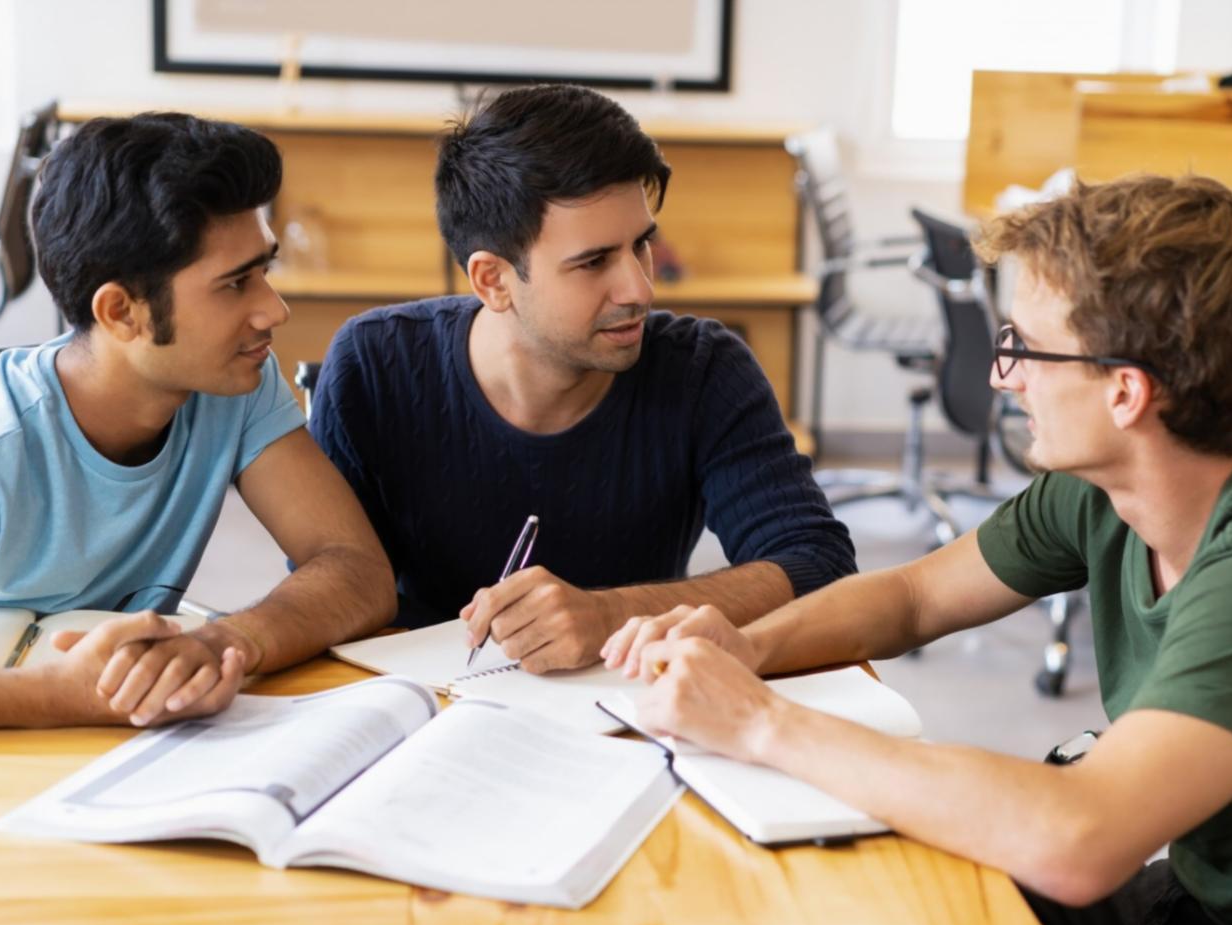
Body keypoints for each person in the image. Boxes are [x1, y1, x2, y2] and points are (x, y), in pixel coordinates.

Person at [604, 175, 1232, 925]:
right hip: (1210, 909)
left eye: (1022, 346)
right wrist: (747, 647)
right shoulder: (1113, 483)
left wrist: (758, 722)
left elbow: (1079, 841)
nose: (1000, 374)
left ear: (1126, 390)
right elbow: (913, 598)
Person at [309, 84, 854, 672]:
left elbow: (818, 566)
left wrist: (611, 613)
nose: (640, 289)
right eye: (594, 262)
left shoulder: (704, 369)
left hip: (626, 716)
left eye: (642, 245)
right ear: (492, 280)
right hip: (421, 708)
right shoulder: (374, 365)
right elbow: (329, 590)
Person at [0, 113, 396, 730]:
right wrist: (59, 694)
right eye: (235, 284)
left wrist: (229, 641)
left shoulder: (233, 386)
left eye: (264, 271)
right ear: (121, 312)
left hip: (129, 750)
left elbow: (355, 568)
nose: (273, 311)